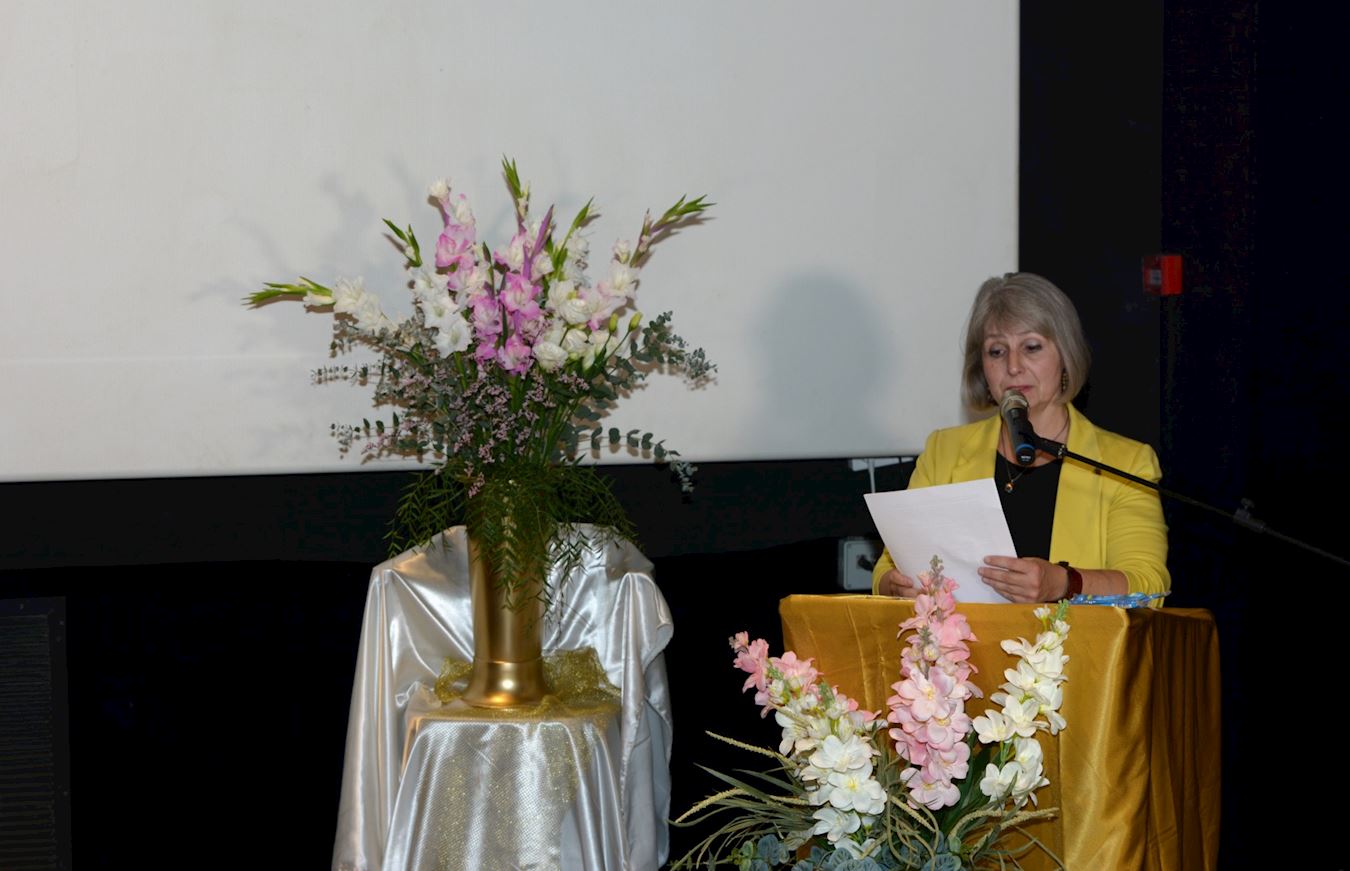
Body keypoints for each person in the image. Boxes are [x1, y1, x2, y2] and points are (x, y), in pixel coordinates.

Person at [871, 272, 1170, 603]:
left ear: (1066, 355)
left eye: (1031, 347)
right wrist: (894, 586)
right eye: (997, 351)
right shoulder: (945, 452)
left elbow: (1149, 586)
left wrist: (1064, 584)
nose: (1013, 366)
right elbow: (889, 566)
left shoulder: (1125, 463)